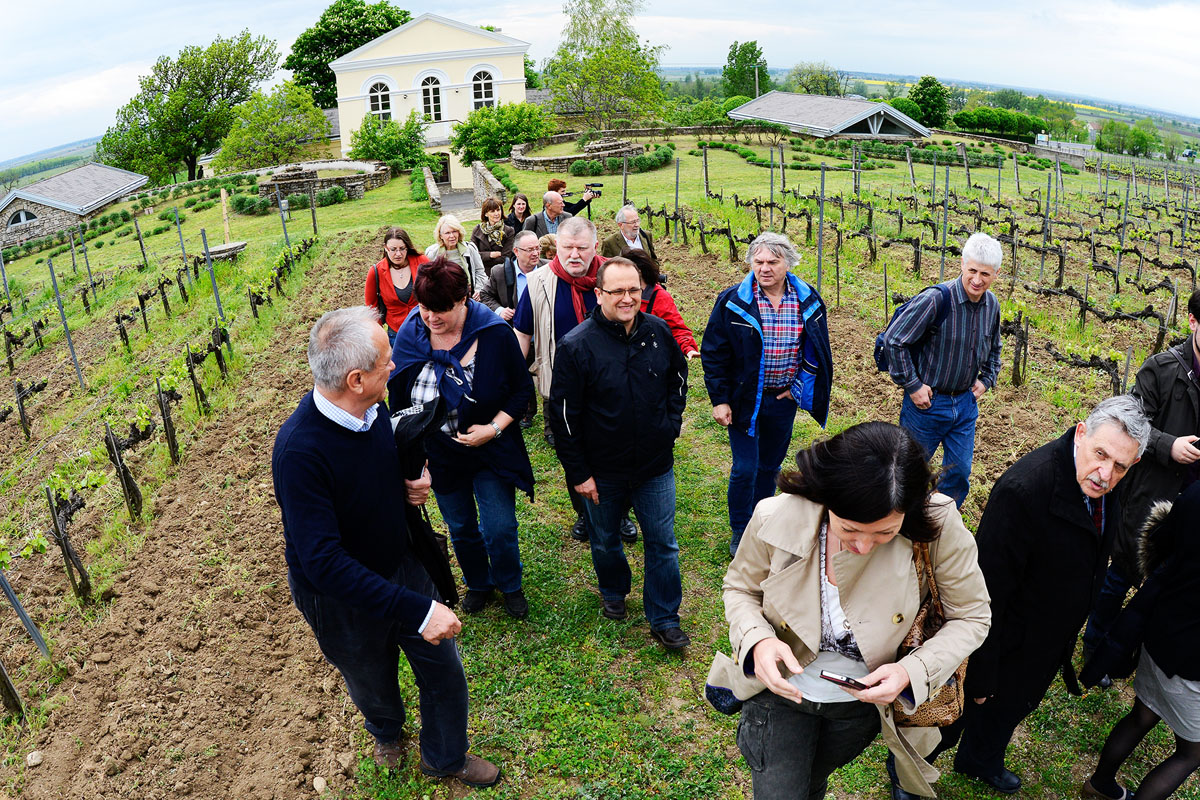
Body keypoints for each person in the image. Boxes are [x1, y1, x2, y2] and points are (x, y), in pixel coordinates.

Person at [272, 306, 499, 787]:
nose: (394, 366)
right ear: (355, 379)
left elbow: (376, 465)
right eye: (386, 361)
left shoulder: (371, 410)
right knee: (370, 676)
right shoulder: (300, 451)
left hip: (399, 563)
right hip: (339, 596)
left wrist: (408, 481)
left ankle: (445, 757)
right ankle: (387, 731)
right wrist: (417, 609)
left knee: (443, 666)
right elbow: (323, 562)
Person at [707, 421, 991, 800]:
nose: (863, 546)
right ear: (827, 500)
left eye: (885, 533)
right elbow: (740, 588)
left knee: (812, 780)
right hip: (780, 691)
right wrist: (757, 641)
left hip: (860, 706)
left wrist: (912, 672)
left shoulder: (938, 525)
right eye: (849, 529)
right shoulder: (774, 515)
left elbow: (972, 615)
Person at [922, 396, 1150, 797]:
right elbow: (986, 593)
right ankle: (910, 769)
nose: (1105, 474)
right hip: (1002, 636)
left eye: (1120, 466)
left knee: (1008, 709)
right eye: (1101, 454)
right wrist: (980, 671)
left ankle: (980, 760)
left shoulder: (1104, 484)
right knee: (956, 714)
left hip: (1043, 639)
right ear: (1081, 433)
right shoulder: (1024, 490)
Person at [547, 256, 690, 649]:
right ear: (599, 294)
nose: (628, 299)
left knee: (662, 542)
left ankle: (664, 616)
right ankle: (613, 589)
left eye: (634, 290)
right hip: (602, 470)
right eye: (618, 291)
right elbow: (563, 417)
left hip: (654, 467)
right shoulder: (577, 346)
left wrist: (669, 427)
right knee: (605, 538)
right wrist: (579, 474)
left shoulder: (659, 333)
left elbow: (679, 381)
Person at [388, 258, 535, 620]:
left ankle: (509, 583)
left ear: (465, 299)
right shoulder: (411, 333)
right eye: (424, 309)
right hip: (439, 453)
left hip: (491, 449)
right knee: (460, 526)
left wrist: (493, 428)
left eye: (441, 310)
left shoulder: (493, 333)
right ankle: (479, 584)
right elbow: (399, 403)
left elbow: (520, 390)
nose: (431, 318)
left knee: (499, 526)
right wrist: (414, 457)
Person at [701, 232, 833, 557]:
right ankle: (740, 529)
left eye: (772, 261)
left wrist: (798, 389)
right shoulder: (734, 302)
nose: (764, 268)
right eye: (758, 262)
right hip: (745, 400)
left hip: (781, 401)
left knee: (769, 467)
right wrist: (720, 399)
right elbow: (714, 353)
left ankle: (760, 524)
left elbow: (816, 352)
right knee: (745, 467)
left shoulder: (808, 301)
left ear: (787, 262)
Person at [1085, 289, 1200, 658]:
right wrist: (1170, 446)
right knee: (1121, 574)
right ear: (1193, 321)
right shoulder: (1162, 370)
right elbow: (1130, 426)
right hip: (1151, 493)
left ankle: (1138, 646)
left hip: (1192, 501)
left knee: (1170, 579)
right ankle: (1095, 644)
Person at [511, 217, 636, 544]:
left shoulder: (616, 276)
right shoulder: (538, 283)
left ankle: (621, 514)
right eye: (568, 247)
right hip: (562, 389)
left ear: (595, 246)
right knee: (573, 453)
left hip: (614, 387)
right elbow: (522, 334)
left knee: (622, 452)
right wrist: (512, 378)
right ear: (557, 246)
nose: (575, 255)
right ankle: (584, 513)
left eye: (582, 248)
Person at [1084, 481, 1200, 800]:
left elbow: (1164, 543)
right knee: (1191, 753)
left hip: (1161, 629)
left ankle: (1100, 784)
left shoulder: (1193, 493)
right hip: (1193, 663)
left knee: (1142, 714)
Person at [882, 232, 1003, 509]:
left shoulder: (992, 305)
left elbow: (995, 347)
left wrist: (987, 378)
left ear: (996, 273)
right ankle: (901, 522)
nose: (977, 279)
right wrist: (913, 386)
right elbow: (894, 340)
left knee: (959, 473)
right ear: (962, 264)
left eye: (985, 273)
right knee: (910, 471)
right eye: (972, 270)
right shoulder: (937, 299)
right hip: (927, 405)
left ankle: (941, 522)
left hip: (964, 404)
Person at [480, 230, 544, 428]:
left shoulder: (547, 269)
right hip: (516, 335)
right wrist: (500, 310)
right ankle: (526, 412)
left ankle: (551, 424)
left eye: (537, 248)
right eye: (530, 249)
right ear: (516, 251)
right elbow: (485, 295)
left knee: (549, 378)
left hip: (542, 335)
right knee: (520, 374)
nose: (535, 253)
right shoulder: (501, 273)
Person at [623, 248, 698, 359]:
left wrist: (687, 348)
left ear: (639, 272)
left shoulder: (659, 297)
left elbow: (676, 329)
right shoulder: (619, 295)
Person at [364, 227, 429, 345]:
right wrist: (380, 336)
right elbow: (371, 308)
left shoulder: (422, 262)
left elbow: (437, 290)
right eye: (393, 249)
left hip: (425, 330)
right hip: (396, 335)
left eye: (402, 249)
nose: (398, 254)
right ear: (385, 248)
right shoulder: (376, 272)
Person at [424, 214, 487, 298]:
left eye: (454, 231)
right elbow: (427, 279)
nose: (452, 236)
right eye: (447, 233)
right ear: (440, 236)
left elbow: (480, 272)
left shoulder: (469, 249)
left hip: (469, 296)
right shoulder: (432, 253)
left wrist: (478, 290)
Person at [469, 197, 515, 272]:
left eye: (498, 210)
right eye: (492, 211)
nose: (496, 214)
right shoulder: (477, 230)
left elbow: (505, 257)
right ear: (486, 214)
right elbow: (472, 254)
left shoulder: (509, 231)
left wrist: (482, 257)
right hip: (481, 273)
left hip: (501, 273)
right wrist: (490, 255)